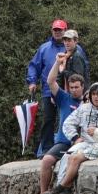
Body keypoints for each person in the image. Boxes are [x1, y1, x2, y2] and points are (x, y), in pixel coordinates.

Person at [44, 84, 98, 194]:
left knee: (76, 158)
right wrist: (76, 137)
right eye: (97, 96)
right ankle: (66, 189)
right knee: (71, 157)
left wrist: (96, 132)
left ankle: (61, 187)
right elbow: (68, 124)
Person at [34, 74, 86, 194]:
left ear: (83, 87)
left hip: (82, 144)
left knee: (70, 159)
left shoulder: (89, 102)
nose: (74, 90)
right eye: (71, 87)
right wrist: (57, 63)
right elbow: (50, 81)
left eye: (76, 87)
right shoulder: (64, 98)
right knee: (46, 160)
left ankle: (64, 189)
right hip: (64, 142)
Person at [26, 19, 69, 157]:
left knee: (67, 119)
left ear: (65, 30)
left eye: (60, 30)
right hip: (48, 90)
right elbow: (34, 66)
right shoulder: (44, 48)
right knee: (48, 120)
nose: (57, 32)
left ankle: (65, 149)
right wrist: (32, 82)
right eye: (55, 30)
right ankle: (46, 150)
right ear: (52, 31)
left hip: (67, 91)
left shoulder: (71, 47)